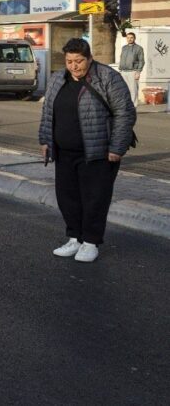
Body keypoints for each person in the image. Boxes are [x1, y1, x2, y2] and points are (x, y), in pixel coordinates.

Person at [39, 38, 136, 263]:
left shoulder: (107, 77)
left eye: (79, 61)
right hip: (64, 152)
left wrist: (117, 147)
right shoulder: (57, 79)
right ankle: (74, 238)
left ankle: (90, 242)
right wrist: (45, 140)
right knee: (67, 198)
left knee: (94, 199)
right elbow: (47, 113)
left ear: (89, 58)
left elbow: (125, 113)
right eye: (70, 61)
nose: (74, 66)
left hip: (98, 153)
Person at [118, 32, 145, 105]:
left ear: (134, 38)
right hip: (123, 71)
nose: (129, 39)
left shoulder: (138, 48)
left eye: (131, 38)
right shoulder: (124, 48)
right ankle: (127, 106)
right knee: (124, 90)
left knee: (133, 90)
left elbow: (141, 61)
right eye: (128, 38)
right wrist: (120, 70)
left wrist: (138, 72)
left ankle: (134, 106)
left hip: (133, 71)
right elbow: (121, 59)